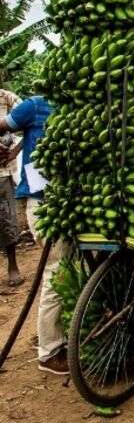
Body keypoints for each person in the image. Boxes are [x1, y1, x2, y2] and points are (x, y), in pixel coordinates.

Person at [0, 95, 66, 374]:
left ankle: (64, 339)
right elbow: (4, 126)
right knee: (56, 271)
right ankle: (49, 352)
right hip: (42, 203)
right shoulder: (35, 105)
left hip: (66, 202)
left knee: (66, 270)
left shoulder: (74, 107)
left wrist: (15, 153)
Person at [0, 88, 23, 287]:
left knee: (6, 217)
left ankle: (13, 264)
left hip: (2, 170)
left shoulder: (7, 98)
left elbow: (31, 121)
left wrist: (15, 149)